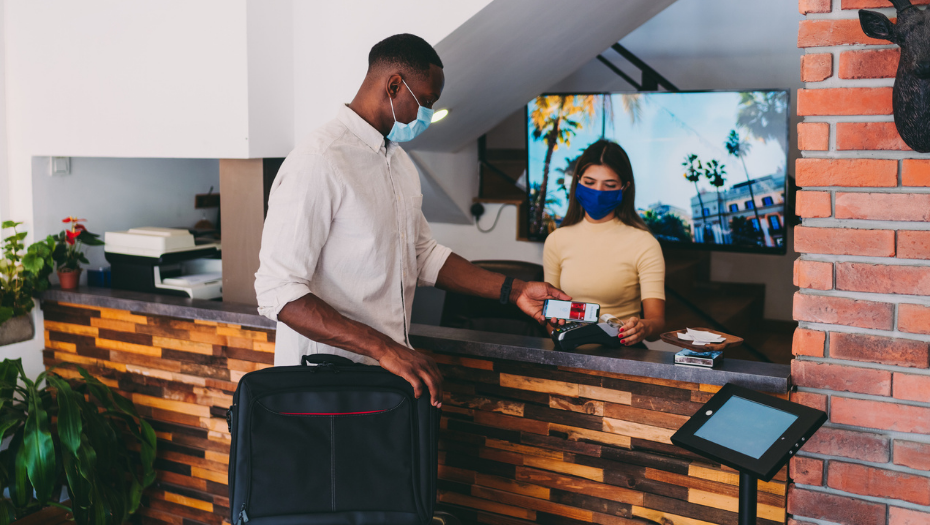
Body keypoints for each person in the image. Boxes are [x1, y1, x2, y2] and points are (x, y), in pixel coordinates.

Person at [254, 34, 569, 409]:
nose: (429, 115)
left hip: (386, 381)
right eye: (428, 102)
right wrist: (383, 348)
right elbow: (279, 290)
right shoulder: (319, 160)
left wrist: (515, 290)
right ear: (393, 85)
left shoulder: (399, 162)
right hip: (324, 385)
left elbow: (423, 254)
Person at [543, 140, 666, 347]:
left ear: (624, 188)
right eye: (589, 183)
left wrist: (642, 328)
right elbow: (550, 315)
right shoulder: (556, 240)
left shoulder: (644, 243)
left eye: (609, 185)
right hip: (569, 352)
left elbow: (657, 323)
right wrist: (563, 335)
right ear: (578, 181)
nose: (598, 191)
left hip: (624, 356)